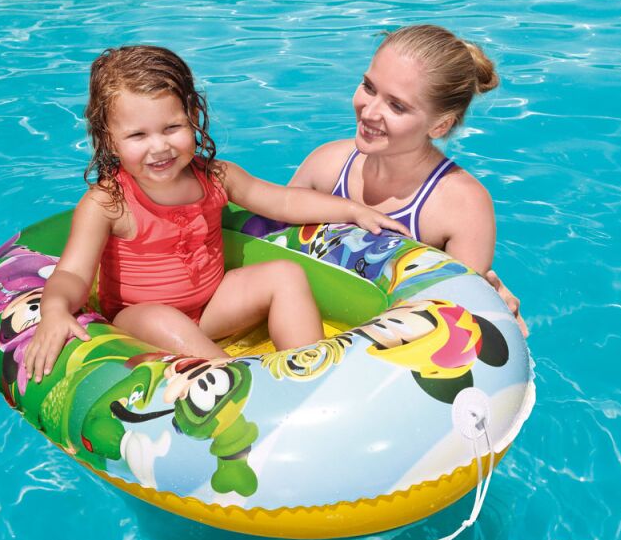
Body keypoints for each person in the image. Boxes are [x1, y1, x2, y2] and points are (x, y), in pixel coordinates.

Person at [23, 45, 408, 383]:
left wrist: (352, 210)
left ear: (193, 116)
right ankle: (240, 381)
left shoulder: (217, 177)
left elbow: (284, 202)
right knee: (160, 318)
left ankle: (311, 370)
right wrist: (55, 310)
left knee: (285, 274)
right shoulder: (108, 203)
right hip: (137, 321)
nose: (159, 147)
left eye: (172, 127)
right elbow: (73, 273)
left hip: (210, 309)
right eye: (138, 136)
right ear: (109, 139)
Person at [287, 24, 528, 336]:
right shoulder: (327, 165)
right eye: (368, 87)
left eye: (396, 105)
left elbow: (451, 324)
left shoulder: (461, 205)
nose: (369, 112)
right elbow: (271, 240)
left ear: (440, 126)